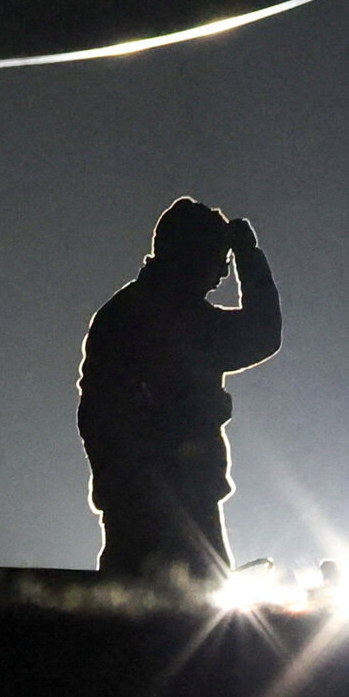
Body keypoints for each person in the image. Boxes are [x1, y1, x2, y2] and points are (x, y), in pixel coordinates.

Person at [77, 197, 281, 581]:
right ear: (191, 256)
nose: (222, 273)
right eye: (218, 259)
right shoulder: (177, 322)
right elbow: (262, 333)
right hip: (176, 507)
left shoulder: (122, 314)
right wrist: (249, 257)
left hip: (140, 502)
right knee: (189, 616)